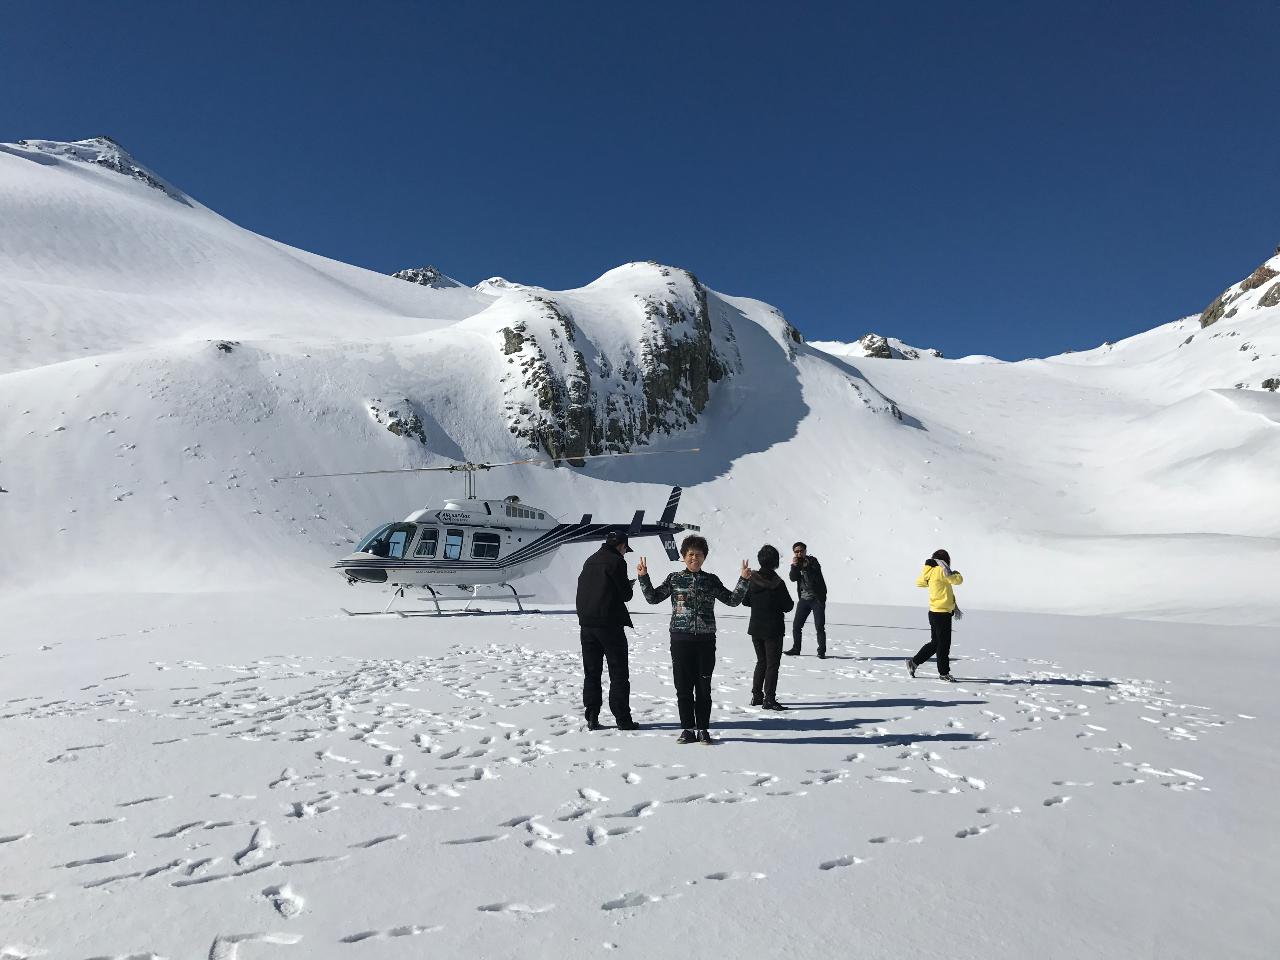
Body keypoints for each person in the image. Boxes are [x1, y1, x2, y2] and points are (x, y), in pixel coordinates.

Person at [638, 535, 749, 745]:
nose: (694, 558)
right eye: (690, 554)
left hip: (705, 642)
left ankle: (703, 729)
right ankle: (687, 729)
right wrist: (644, 577)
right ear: (683, 556)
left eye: (698, 555)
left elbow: (732, 601)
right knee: (683, 687)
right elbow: (653, 598)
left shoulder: (711, 580)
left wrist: (743, 580)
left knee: (704, 688)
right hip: (680, 640)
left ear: (704, 557)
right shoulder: (674, 578)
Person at [575, 531, 641, 730]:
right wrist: (629, 585)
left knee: (592, 673)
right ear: (621, 546)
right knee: (618, 673)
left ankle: (592, 717)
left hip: (587, 625)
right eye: (625, 549)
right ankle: (623, 719)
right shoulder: (616, 562)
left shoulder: (590, 560)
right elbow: (626, 595)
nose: (624, 553)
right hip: (610, 625)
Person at [742, 544, 794, 710]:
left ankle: (757, 696)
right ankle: (769, 699)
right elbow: (788, 606)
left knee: (761, 662)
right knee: (772, 665)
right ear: (775, 562)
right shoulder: (778, 583)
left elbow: (745, 601)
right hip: (773, 629)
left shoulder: (752, 580)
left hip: (756, 628)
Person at [907, 549, 964, 682]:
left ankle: (913, 663)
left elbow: (919, 582)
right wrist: (956, 573)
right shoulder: (941, 570)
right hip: (942, 613)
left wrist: (933, 583)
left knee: (935, 643)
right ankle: (944, 673)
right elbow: (957, 580)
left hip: (934, 612)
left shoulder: (931, 571)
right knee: (943, 645)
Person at [785, 542, 828, 658]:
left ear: (805, 551)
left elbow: (816, 573)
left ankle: (821, 651)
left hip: (816, 599)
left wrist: (806, 565)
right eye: (796, 551)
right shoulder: (796, 564)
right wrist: (794, 567)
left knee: (819, 626)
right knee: (796, 626)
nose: (799, 553)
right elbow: (793, 578)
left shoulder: (813, 561)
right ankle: (796, 649)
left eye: (801, 551)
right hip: (804, 599)